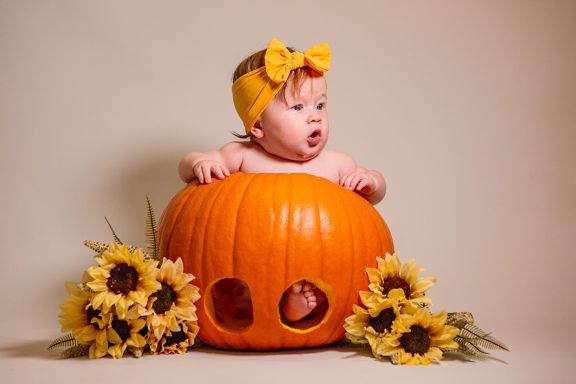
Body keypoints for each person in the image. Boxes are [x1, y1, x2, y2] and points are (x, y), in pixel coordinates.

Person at [178, 38, 386, 326]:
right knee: (239, 289)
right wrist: (201, 163)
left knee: (324, 286)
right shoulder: (241, 156)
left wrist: (370, 181)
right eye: (298, 108)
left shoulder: (336, 164)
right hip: (256, 261)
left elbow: (374, 196)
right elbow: (187, 165)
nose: (315, 117)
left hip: (317, 260)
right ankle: (274, 311)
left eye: (320, 105)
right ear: (258, 126)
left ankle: (298, 311)